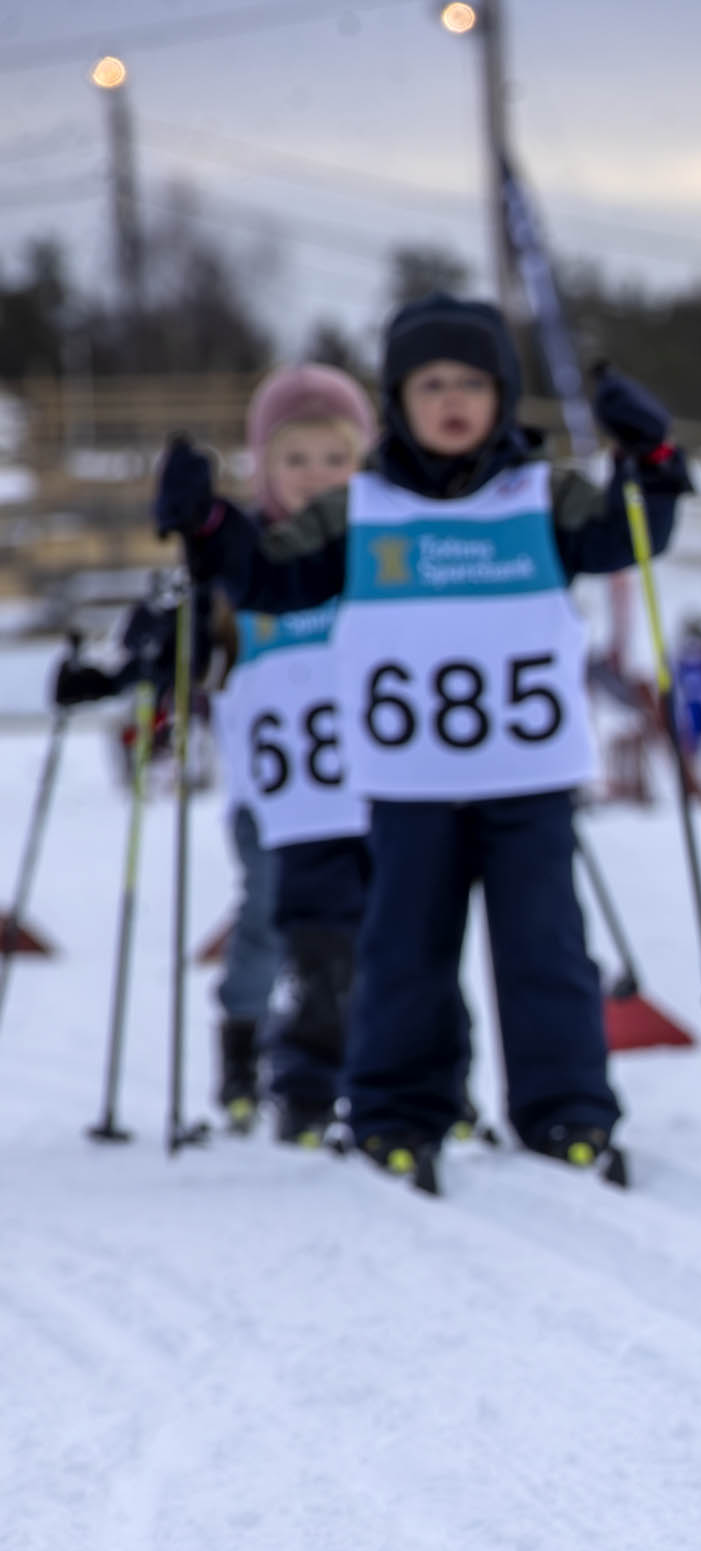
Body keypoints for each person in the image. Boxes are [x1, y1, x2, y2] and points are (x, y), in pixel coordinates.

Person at [159, 293, 689, 1191]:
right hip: (408, 783)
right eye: (430, 384)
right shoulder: (361, 509)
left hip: (528, 777)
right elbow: (272, 579)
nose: (452, 402)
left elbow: (625, 538)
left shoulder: (539, 494)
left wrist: (654, 459)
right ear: (398, 399)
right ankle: (397, 1112)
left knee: (548, 950)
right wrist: (208, 526)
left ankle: (565, 1109)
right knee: (405, 952)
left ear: (503, 395)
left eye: (473, 384)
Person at [218, 364, 380, 1146]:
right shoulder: (244, 566)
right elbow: (190, 644)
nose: (316, 478)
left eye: (334, 458)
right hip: (276, 798)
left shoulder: (380, 554)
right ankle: (243, 1044)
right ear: (263, 467)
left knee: (385, 932)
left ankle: (379, 1067)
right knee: (269, 925)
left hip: (373, 788)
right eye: (296, 460)